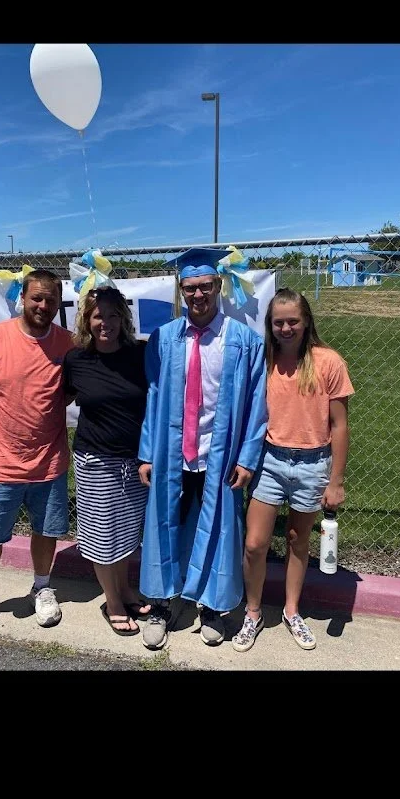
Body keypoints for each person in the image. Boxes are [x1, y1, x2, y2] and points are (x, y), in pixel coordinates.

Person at [138, 247, 268, 650]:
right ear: (182, 290)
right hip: (172, 454)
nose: (198, 294)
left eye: (206, 286)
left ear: (219, 285)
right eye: (191, 287)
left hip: (220, 455)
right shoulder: (164, 339)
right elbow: (153, 397)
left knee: (218, 530)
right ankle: (161, 603)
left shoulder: (243, 340)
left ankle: (211, 606)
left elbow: (257, 404)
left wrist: (247, 458)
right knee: (165, 526)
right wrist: (147, 452)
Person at [232, 287, 354, 653]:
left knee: (298, 540)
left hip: (313, 464)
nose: (285, 329)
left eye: (293, 322)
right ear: (269, 325)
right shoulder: (263, 361)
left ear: (306, 322)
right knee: (255, 543)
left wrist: (335, 481)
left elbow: (340, 425)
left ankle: (291, 610)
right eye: (278, 322)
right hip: (269, 461)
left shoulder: (328, 362)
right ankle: (253, 612)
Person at [0, 269, 74, 638]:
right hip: (1, 464)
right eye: (36, 298)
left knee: (46, 531)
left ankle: (42, 587)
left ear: (59, 303)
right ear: (22, 298)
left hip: (50, 463)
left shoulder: (67, 343)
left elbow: (70, 389)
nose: (43, 305)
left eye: (51, 300)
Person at [63, 287, 151, 637]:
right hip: (95, 461)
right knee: (103, 536)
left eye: (113, 315)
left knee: (127, 533)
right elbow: (62, 396)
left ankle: (125, 589)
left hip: (135, 462)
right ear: (87, 319)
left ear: (123, 319)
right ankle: (112, 602)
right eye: (99, 316)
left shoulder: (139, 354)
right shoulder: (76, 360)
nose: (106, 323)